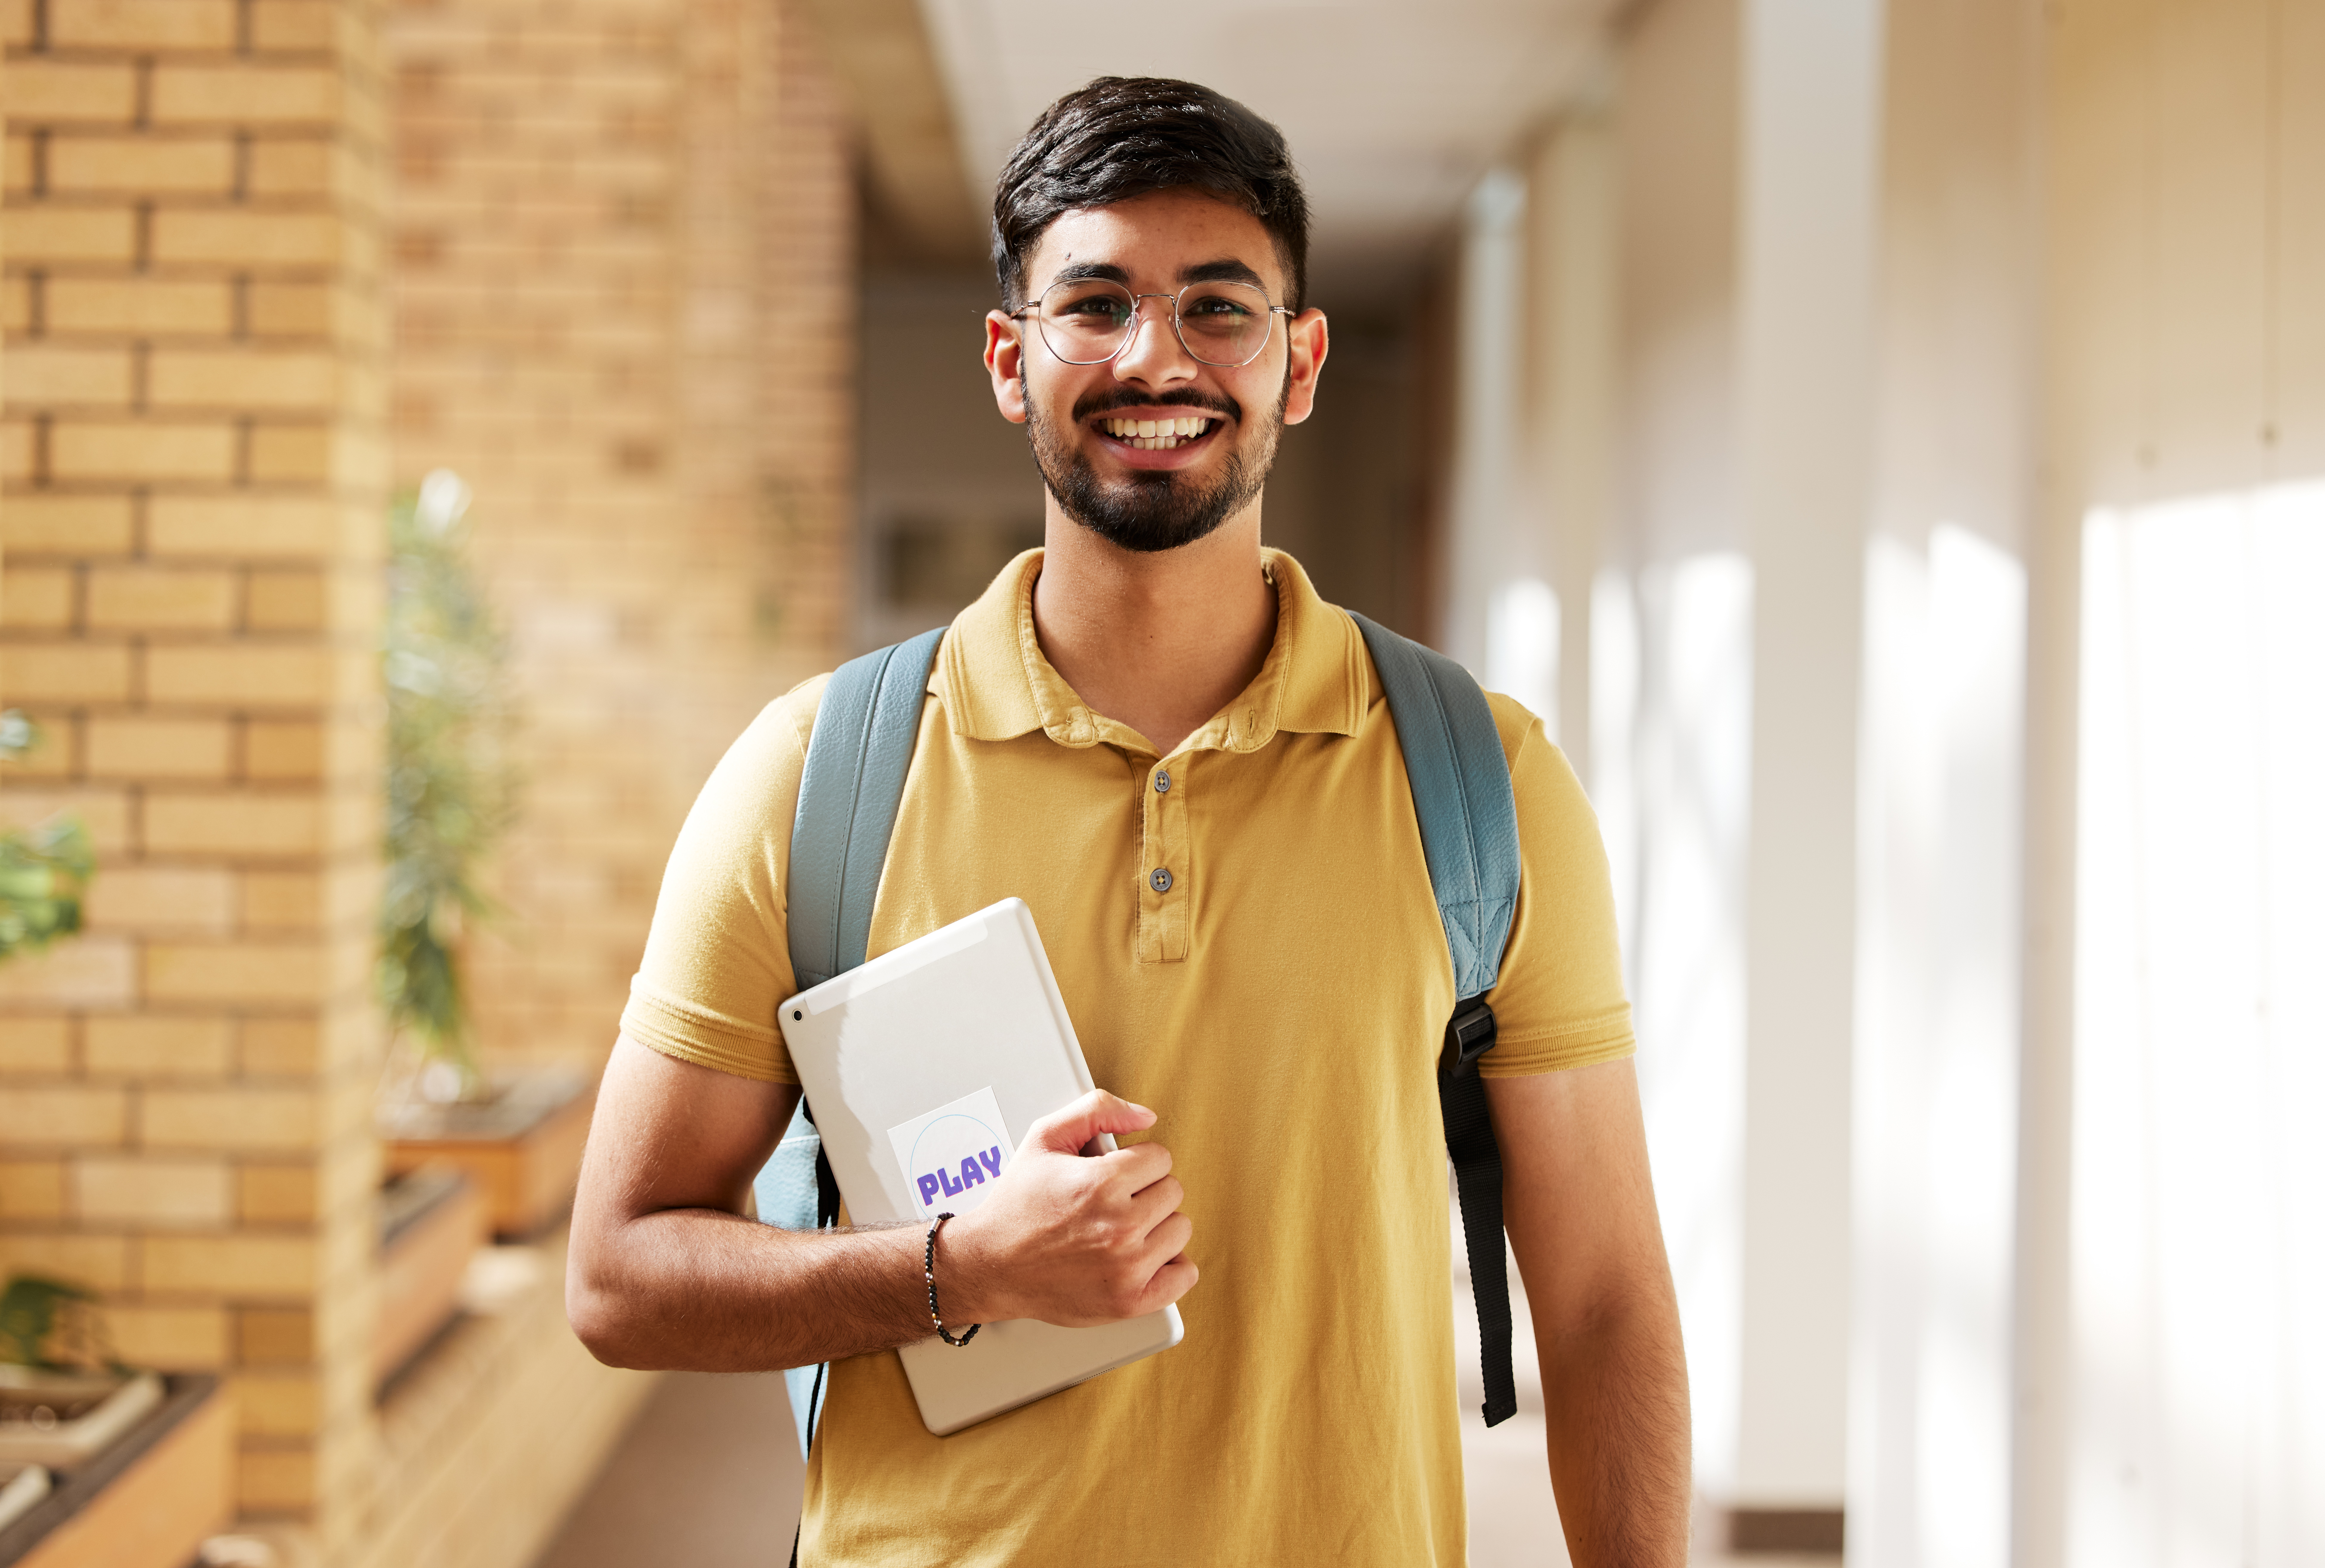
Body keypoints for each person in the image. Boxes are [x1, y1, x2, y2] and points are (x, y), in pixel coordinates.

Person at [567, 75, 1690, 1567]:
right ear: (1007, 361)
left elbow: (1605, 1294)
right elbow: (618, 1274)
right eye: (1093, 303)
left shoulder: (1481, 778)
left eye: (1218, 308)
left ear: (1300, 363)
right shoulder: (812, 776)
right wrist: (963, 1268)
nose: (1155, 356)